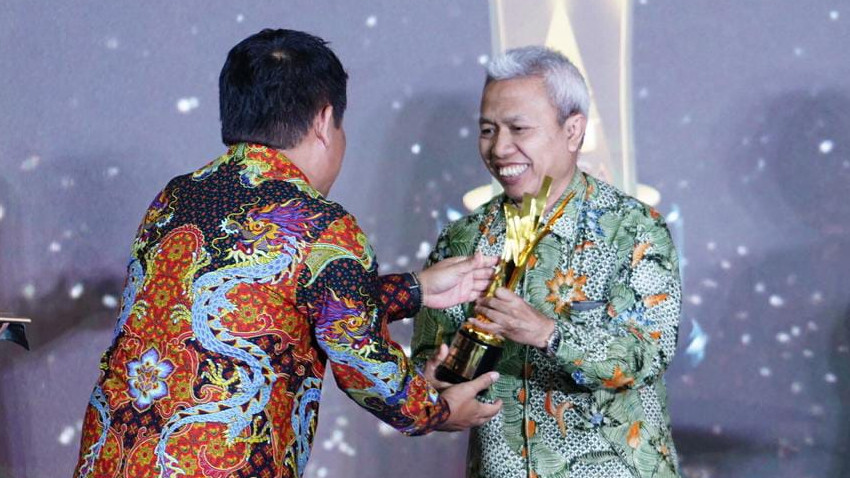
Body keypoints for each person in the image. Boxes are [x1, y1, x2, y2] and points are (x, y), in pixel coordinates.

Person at [73, 29, 502, 478]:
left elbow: (262, 302)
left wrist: (412, 290)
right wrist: (437, 410)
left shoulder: (174, 198)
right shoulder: (320, 223)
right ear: (324, 120)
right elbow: (360, 360)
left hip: (110, 460)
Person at [413, 46, 682, 478]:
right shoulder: (463, 238)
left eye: (519, 128)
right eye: (487, 130)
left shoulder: (634, 229)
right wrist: (433, 382)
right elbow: (431, 364)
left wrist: (546, 333)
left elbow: (646, 354)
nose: (500, 148)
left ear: (573, 131)